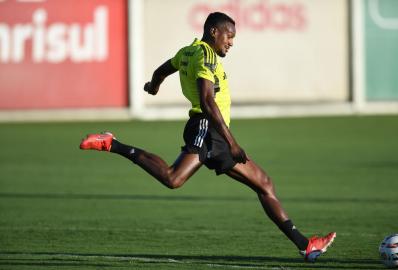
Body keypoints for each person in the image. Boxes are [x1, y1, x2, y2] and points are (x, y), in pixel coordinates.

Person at [80, 12, 335, 262]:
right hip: (208, 128)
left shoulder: (188, 51)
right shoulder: (207, 57)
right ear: (214, 31)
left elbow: (163, 69)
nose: (231, 42)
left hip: (210, 131)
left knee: (264, 184)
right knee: (173, 178)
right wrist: (232, 143)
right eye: (229, 36)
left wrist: (153, 85)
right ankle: (112, 143)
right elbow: (207, 101)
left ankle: (306, 245)